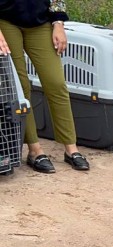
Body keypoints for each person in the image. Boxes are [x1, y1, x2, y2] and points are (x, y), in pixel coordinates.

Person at [0, 0, 90, 173]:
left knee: (56, 83)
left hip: (40, 21)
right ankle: (35, 150)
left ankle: (71, 148)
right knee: (20, 87)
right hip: (5, 20)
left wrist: (58, 23)